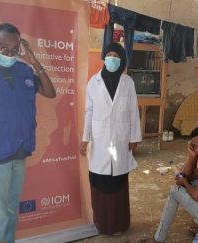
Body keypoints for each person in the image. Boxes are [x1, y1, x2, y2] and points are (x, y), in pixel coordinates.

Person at [0, 23, 56, 243]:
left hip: (19, 149)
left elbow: (50, 92)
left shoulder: (24, 71)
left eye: (15, 49)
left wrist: (34, 61)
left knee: (10, 212)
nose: (10, 53)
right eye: (4, 47)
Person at [79, 42, 141, 235]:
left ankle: (119, 224)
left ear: (121, 59)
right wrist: (85, 137)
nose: (112, 58)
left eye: (116, 55)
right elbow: (88, 111)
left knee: (119, 179)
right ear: (104, 58)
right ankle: (101, 224)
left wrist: (134, 137)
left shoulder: (127, 82)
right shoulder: (93, 82)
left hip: (120, 139)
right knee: (99, 179)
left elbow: (133, 111)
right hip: (100, 139)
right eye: (109, 54)